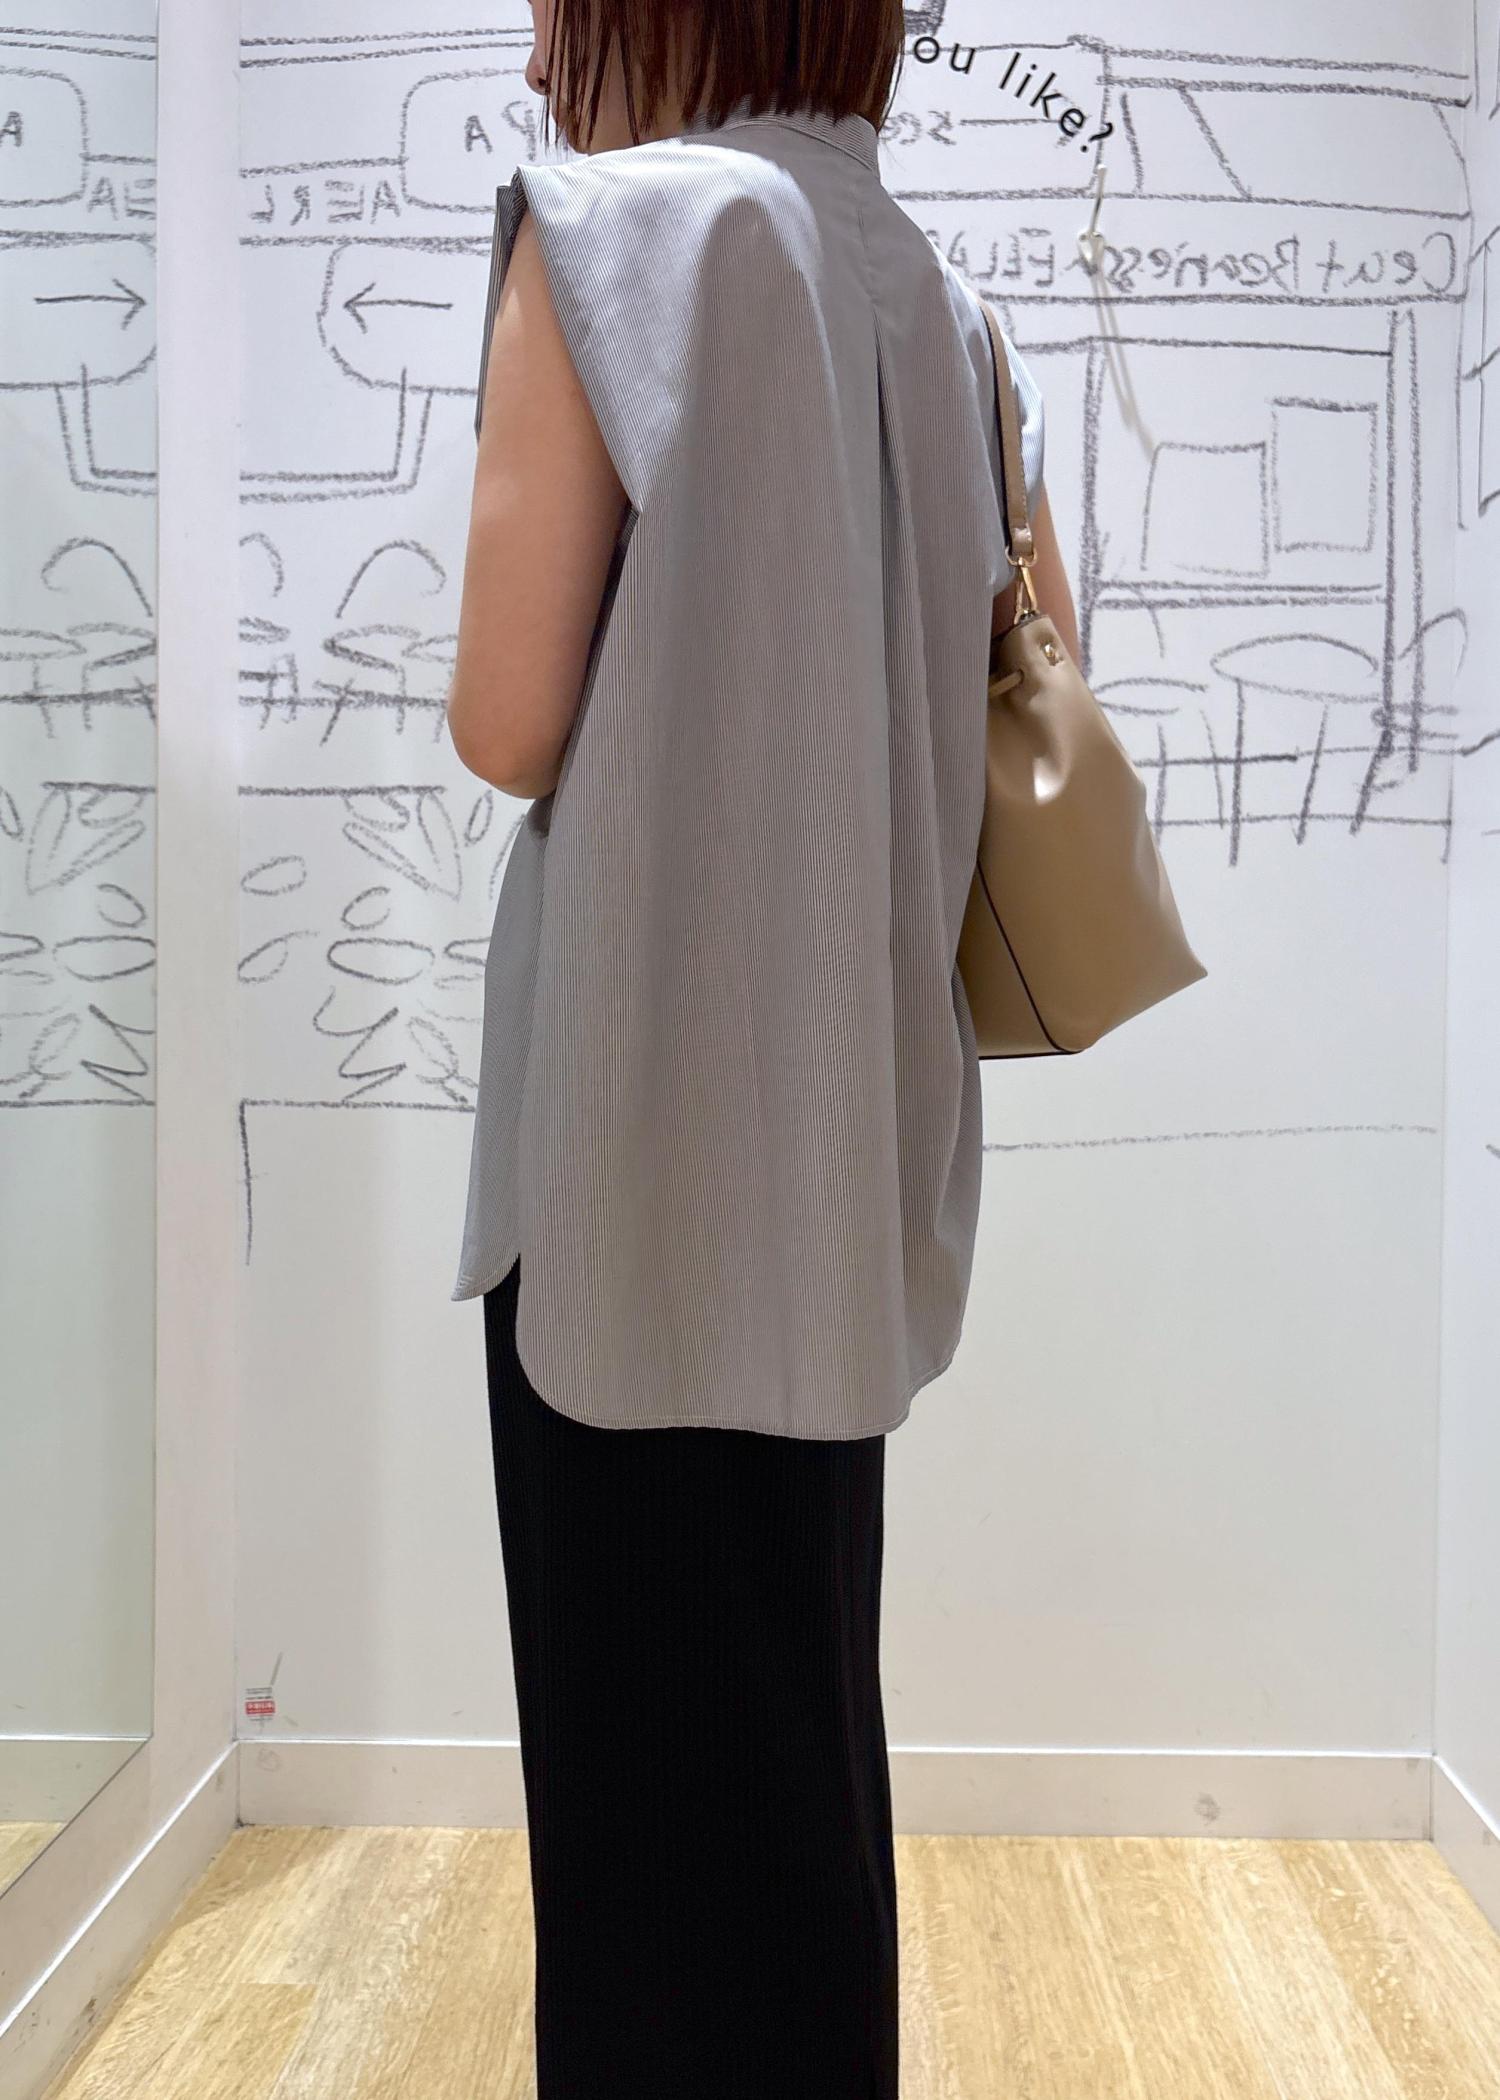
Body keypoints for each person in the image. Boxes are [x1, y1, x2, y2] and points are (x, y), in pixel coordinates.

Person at [445, 3, 1081, 2093]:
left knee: (636, 1814)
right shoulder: (945, 304)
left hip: (631, 1142)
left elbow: (506, 720)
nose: (534, 51)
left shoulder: (609, 234)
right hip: (848, 1148)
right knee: (799, 1758)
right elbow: (1028, 696)